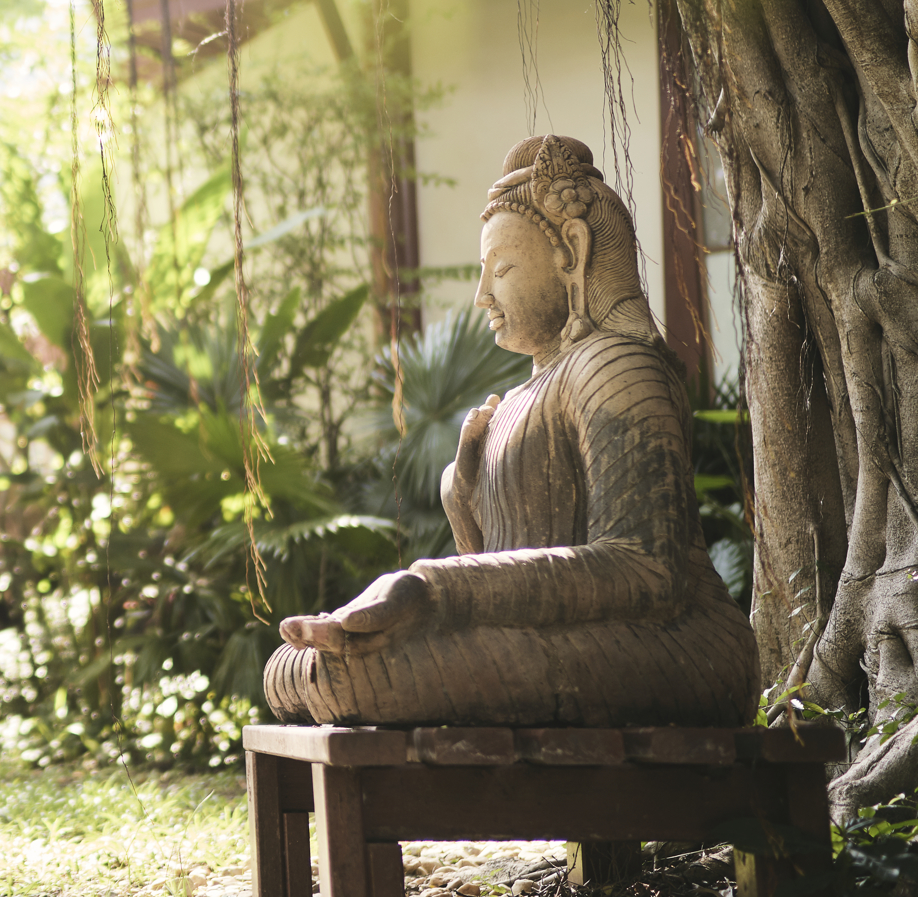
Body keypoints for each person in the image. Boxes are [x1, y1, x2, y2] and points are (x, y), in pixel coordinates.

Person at [265, 134, 756, 728]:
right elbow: (504, 570)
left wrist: (433, 586)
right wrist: (464, 496)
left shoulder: (617, 367)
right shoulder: (521, 397)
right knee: (294, 667)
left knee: (355, 673)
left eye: (501, 270)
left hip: (678, 646)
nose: (481, 295)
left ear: (571, 250)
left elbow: (647, 574)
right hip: (582, 636)